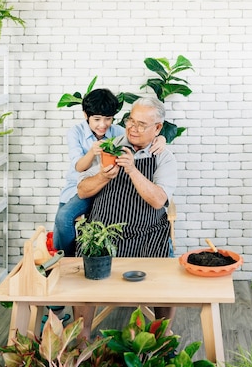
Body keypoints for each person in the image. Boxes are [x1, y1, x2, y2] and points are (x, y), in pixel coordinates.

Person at [75, 96, 177, 338]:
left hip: (147, 234)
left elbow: (158, 200)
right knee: (81, 276)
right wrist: (102, 177)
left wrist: (131, 170)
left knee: (168, 274)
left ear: (158, 129)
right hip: (103, 234)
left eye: (142, 124)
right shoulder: (110, 147)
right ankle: (81, 338)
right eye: (131, 120)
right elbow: (82, 190)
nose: (132, 127)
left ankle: (161, 338)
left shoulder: (164, 157)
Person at [53, 88, 165, 257]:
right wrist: (92, 151)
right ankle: (67, 260)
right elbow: (79, 167)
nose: (103, 124)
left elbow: (139, 140)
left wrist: (161, 138)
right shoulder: (76, 132)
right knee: (63, 219)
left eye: (108, 119)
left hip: (107, 187)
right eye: (97, 119)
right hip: (81, 187)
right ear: (86, 115)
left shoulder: (118, 132)